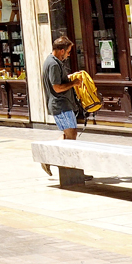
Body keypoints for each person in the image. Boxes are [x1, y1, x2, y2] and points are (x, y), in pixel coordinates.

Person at [40, 36, 83, 175]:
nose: (69, 55)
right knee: (71, 136)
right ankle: (69, 171)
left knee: (69, 135)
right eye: (68, 52)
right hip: (60, 104)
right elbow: (57, 87)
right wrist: (73, 83)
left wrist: (69, 78)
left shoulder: (53, 62)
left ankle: (49, 158)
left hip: (63, 104)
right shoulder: (53, 64)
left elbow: (58, 81)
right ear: (62, 50)